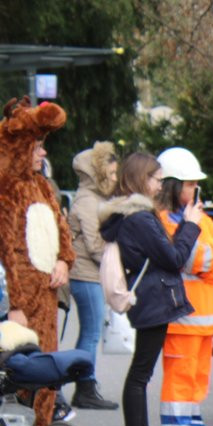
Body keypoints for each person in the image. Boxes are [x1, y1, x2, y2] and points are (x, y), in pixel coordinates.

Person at [99, 153, 199, 426]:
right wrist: (190, 227)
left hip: (152, 297)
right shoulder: (140, 217)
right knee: (141, 373)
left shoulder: (133, 214)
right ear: (142, 178)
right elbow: (173, 258)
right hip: (152, 298)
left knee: (142, 372)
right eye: (156, 178)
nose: (160, 184)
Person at [0, 98, 76, 426]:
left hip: (47, 291)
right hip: (23, 296)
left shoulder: (42, 186)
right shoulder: (9, 189)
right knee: (17, 370)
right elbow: (9, 252)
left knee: (48, 366)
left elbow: (63, 229)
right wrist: (16, 304)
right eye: (36, 147)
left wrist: (64, 261)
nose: (43, 153)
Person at [156, 147, 213, 426]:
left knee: (197, 380)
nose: (193, 189)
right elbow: (196, 258)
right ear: (172, 185)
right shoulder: (163, 221)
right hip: (182, 318)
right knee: (180, 379)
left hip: (202, 319)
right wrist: (211, 255)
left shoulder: (197, 219)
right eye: (188, 184)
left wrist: (210, 255)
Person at [68, 140, 121, 410]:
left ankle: (85, 384)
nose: (114, 178)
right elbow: (94, 243)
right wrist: (117, 264)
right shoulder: (88, 201)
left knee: (90, 331)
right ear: (97, 174)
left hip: (88, 274)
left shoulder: (95, 199)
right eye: (110, 174)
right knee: (89, 333)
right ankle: (84, 386)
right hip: (85, 275)